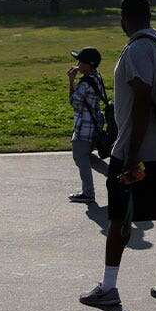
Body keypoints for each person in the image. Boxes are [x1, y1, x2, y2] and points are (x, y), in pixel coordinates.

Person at [80, 0, 156, 308]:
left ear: (124, 18)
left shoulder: (137, 49)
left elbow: (142, 99)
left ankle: (109, 286)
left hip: (138, 152)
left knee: (118, 216)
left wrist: (131, 153)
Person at [67, 47, 106, 204]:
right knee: (87, 157)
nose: (77, 64)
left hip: (85, 126)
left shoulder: (84, 84)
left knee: (79, 156)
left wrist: (71, 81)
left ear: (88, 65)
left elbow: (73, 102)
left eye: (80, 62)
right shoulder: (97, 76)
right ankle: (115, 177)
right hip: (94, 123)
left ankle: (88, 193)